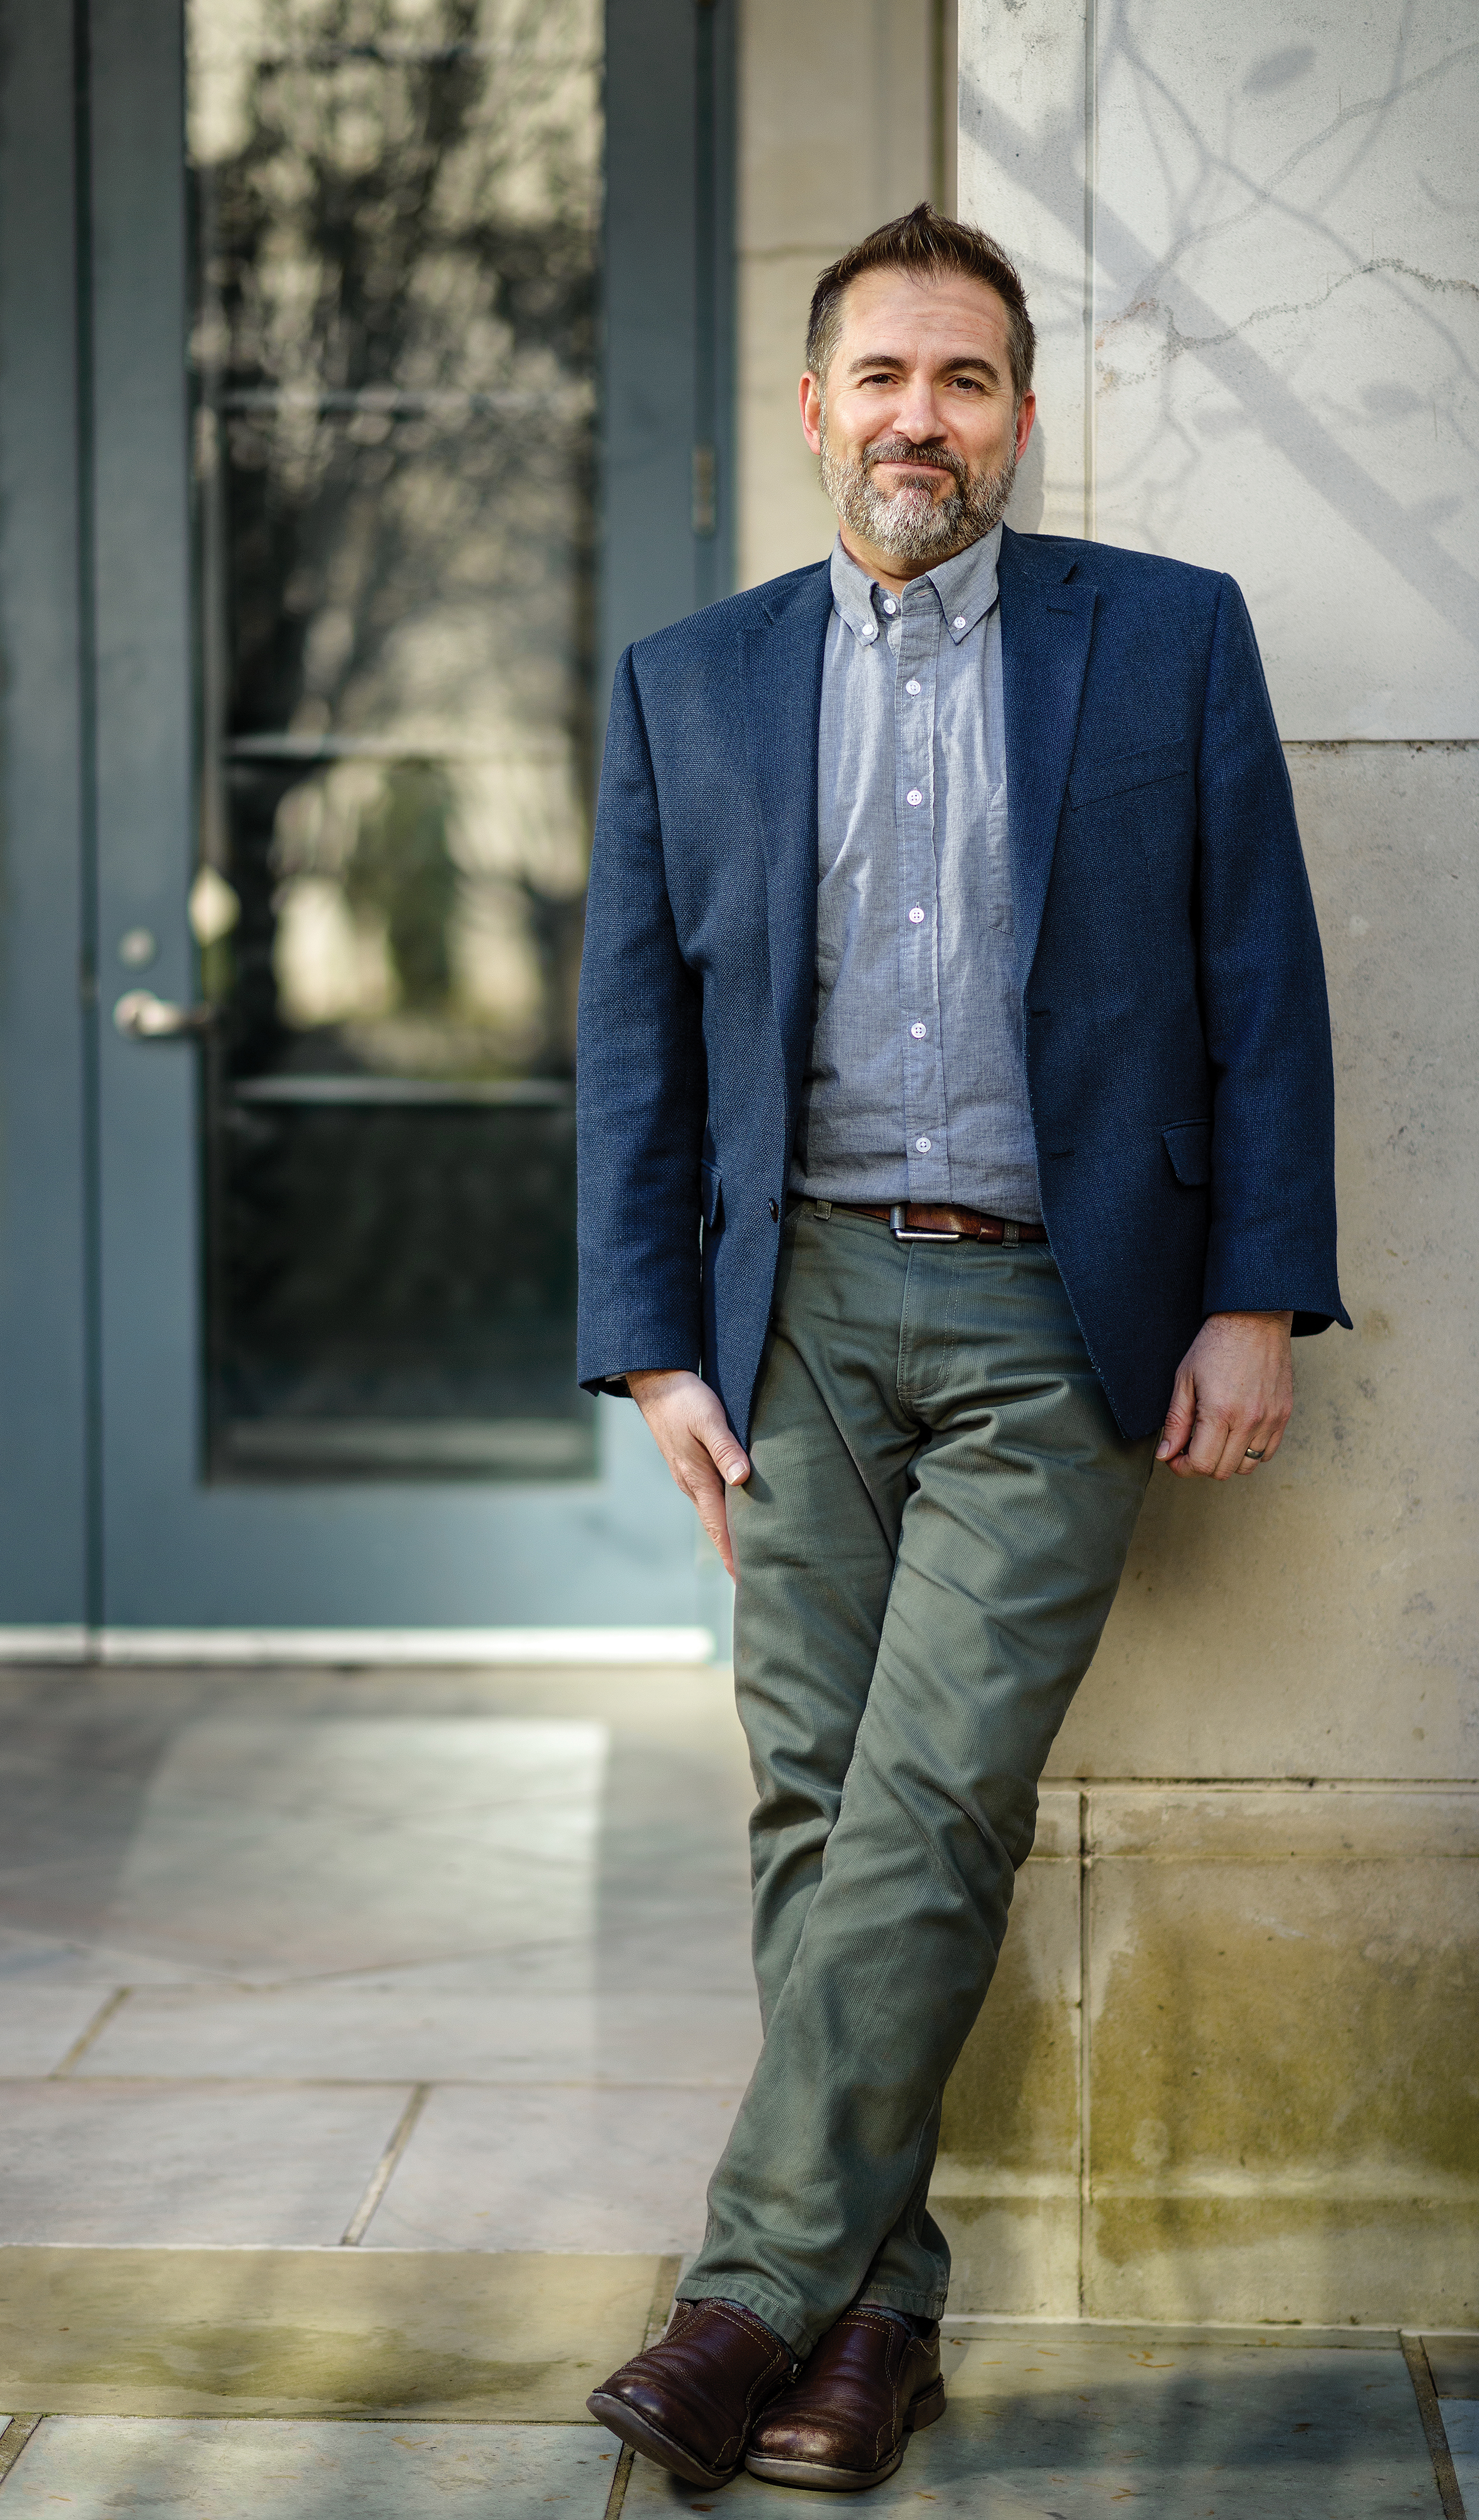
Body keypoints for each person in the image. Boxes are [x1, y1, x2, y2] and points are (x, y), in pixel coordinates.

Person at [574, 204, 1347, 2495]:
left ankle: (738, 2296)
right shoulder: (688, 682)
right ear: (814, 408)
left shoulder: (1167, 642)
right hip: (789, 1310)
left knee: (923, 1797)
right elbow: (634, 1032)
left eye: (970, 379)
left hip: (1058, 1311)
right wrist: (650, 1347)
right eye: (884, 376)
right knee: (818, 1807)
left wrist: (1250, 1291)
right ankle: (871, 2329)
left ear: (1020, 412)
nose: (925, 416)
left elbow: (1264, 991)